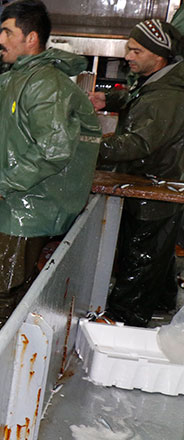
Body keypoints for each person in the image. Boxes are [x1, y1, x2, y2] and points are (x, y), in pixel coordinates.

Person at [0, 0, 101, 342]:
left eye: (7, 32)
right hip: (22, 191)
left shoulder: (46, 84)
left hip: (36, 199)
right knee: (13, 280)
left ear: (31, 39)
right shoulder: (12, 79)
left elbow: (55, 149)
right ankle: (16, 346)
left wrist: (0, 184)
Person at [88, 19, 184, 327]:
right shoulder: (161, 79)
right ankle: (162, 301)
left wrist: (90, 146)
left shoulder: (168, 97)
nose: (127, 55)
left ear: (158, 57)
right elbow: (138, 94)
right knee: (157, 250)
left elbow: (140, 142)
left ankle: (126, 319)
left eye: (135, 50)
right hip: (153, 180)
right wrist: (107, 99)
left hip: (156, 186)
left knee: (140, 253)